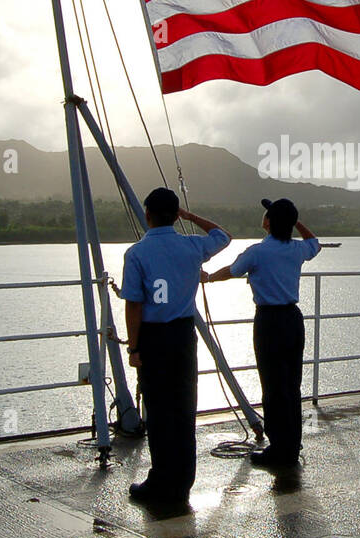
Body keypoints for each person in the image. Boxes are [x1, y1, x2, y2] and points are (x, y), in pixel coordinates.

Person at [121, 187, 231, 504]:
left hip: (154, 337)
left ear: (148, 215)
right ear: (175, 214)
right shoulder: (192, 247)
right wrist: (190, 216)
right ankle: (183, 480)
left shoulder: (137, 254)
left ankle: (160, 481)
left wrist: (134, 348)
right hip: (184, 335)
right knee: (183, 408)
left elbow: (134, 306)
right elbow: (224, 235)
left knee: (157, 410)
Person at [203, 198, 320, 468]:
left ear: (267, 222)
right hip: (293, 319)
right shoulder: (297, 249)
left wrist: (207, 277)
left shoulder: (257, 252)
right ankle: (290, 443)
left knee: (272, 386)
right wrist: (294, 221)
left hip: (269, 321)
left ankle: (279, 449)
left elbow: (231, 271)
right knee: (291, 385)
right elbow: (315, 242)